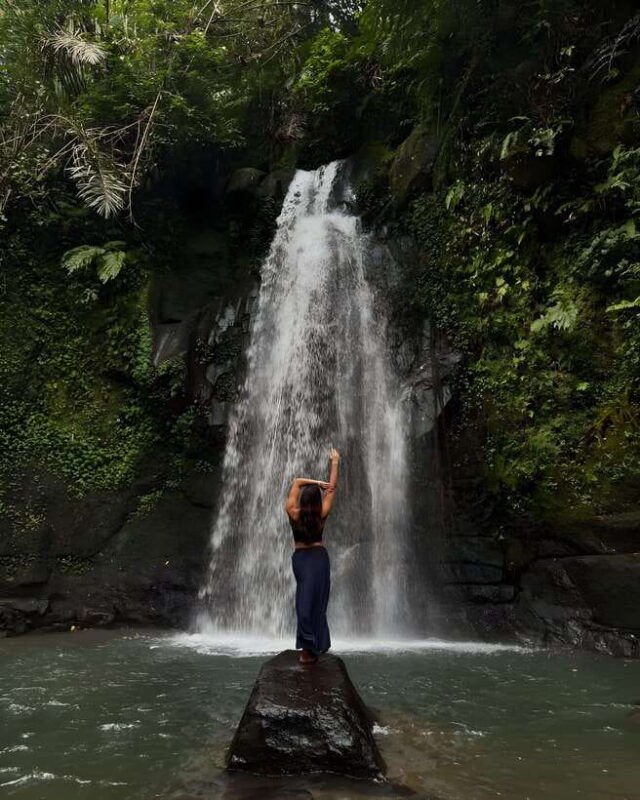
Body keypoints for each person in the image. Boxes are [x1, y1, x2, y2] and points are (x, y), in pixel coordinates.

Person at [284, 447, 340, 665]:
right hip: (318, 558)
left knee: (306, 602)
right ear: (317, 501)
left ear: (301, 501)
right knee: (315, 602)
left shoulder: (293, 512)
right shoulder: (322, 513)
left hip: (301, 559)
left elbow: (297, 481)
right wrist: (334, 463)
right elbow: (332, 490)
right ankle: (311, 647)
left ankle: (310, 648)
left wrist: (315, 483)